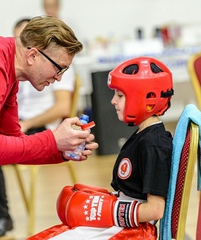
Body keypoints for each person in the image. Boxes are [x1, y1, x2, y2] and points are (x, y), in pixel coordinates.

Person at [0, 16, 98, 237]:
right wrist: (53, 140)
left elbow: (13, 143)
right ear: (33, 55)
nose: (59, 78)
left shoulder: (10, 73)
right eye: (59, 68)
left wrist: (60, 150)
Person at [27, 56, 174, 239]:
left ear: (146, 97)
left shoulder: (154, 145)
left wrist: (110, 211)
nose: (112, 101)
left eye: (120, 95)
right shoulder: (144, 135)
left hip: (135, 231)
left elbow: (155, 210)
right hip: (125, 223)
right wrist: (102, 200)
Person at [13, 18, 77, 134]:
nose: (23, 47)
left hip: (40, 128)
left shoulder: (58, 64)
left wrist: (27, 124)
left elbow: (63, 107)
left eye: (26, 41)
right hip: (18, 123)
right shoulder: (16, 68)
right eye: (19, 41)